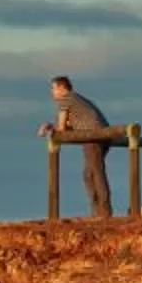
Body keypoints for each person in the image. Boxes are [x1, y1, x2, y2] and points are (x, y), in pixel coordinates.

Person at [41, 76, 114, 217]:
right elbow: (67, 125)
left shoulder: (65, 99)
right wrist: (51, 126)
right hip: (103, 134)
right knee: (88, 174)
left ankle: (103, 211)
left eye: (53, 88)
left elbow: (61, 128)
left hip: (92, 135)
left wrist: (51, 129)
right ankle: (97, 209)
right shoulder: (77, 99)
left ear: (62, 88)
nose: (52, 92)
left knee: (95, 172)